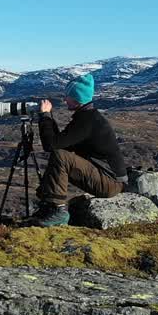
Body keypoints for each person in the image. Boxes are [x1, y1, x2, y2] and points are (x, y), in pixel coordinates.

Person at [28, 73, 127, 226]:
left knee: (61, 156)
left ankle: (58, 211)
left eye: (67, 96)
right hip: (109, 179)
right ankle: (48, 206)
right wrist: (48, 117)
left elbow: (51, 145)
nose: (64, 99)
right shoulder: (87, 117)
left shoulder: (87, 121)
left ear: (77, 98)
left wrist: (46, 116)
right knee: (60, 154)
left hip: (110, 183)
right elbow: (58, 143)